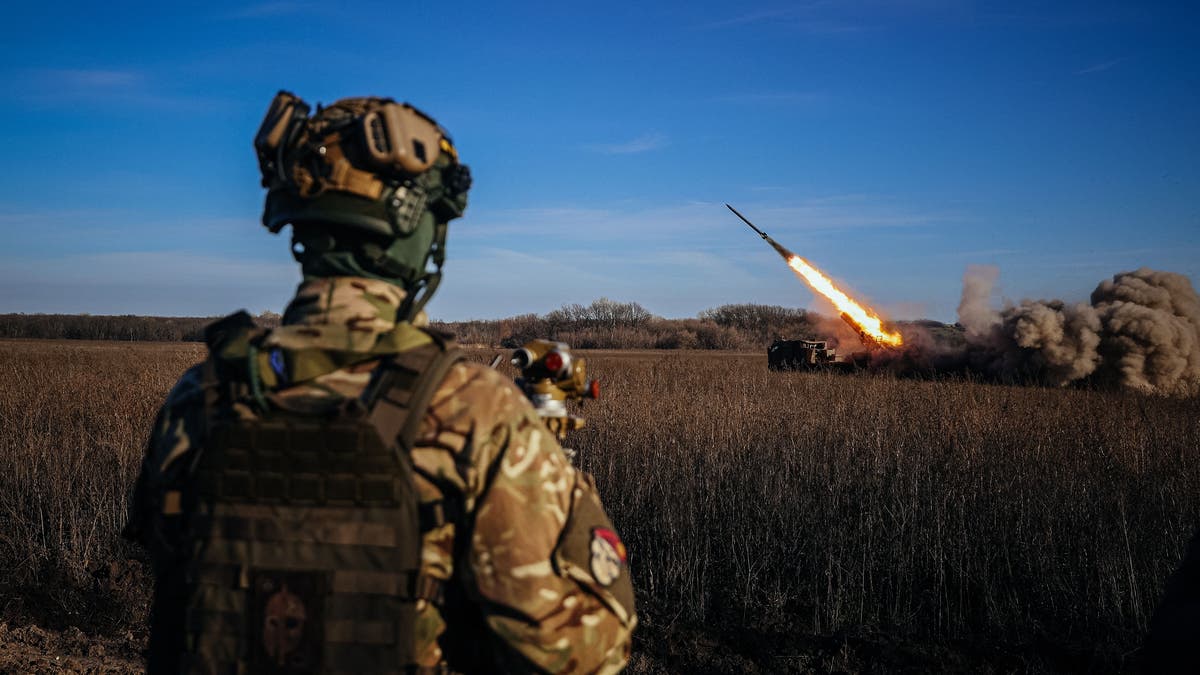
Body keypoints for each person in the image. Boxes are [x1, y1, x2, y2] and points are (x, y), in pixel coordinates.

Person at [124, 92, 636, 674]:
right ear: (420, 233)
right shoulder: (475, 411)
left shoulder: (201, 395)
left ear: (301, 220)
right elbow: (581, 654)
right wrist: (562, 483)